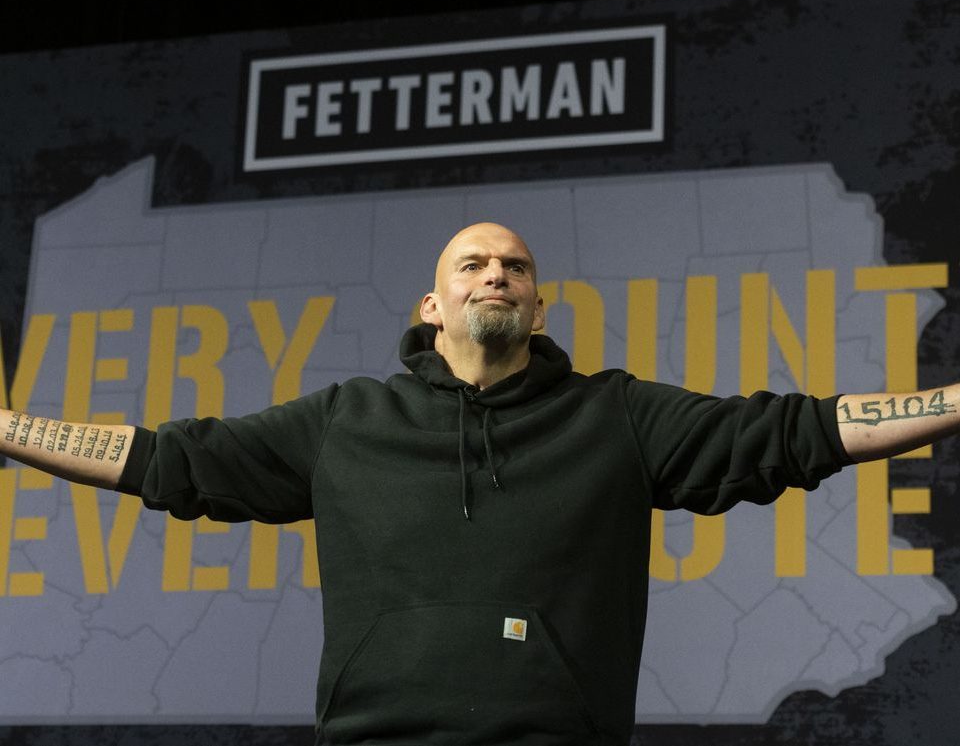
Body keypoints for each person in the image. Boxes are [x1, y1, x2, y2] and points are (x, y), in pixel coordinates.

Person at [1, 221, 957, 746]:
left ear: (538, 307)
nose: (496, 274)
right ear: (433, 303)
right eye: (473, 263)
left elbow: (790, 432)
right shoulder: (347, 420)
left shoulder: (613, 414)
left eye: (516, 267)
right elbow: (168, 460)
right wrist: (7, 429)